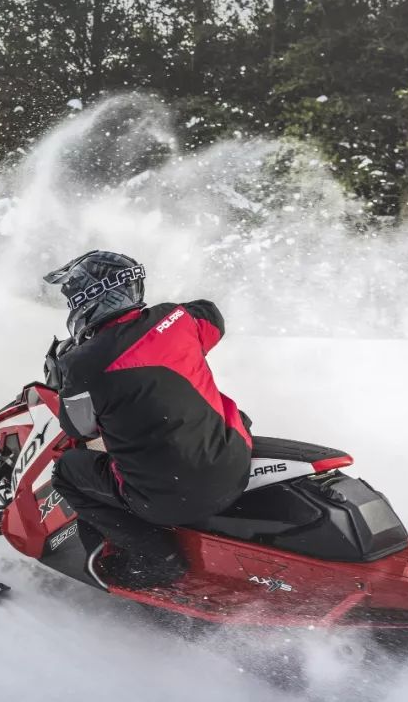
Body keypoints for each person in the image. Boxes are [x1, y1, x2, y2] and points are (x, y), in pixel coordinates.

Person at [42, 250, 252, 589]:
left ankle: (154, 558)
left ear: (90, 298)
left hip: (166, 500)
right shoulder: (177, 318)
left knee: (67, 470)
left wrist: (67, 373)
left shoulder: (81, 365)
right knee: (228, 413)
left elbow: (78, 429)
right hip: (236, 462)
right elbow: (211, 316)